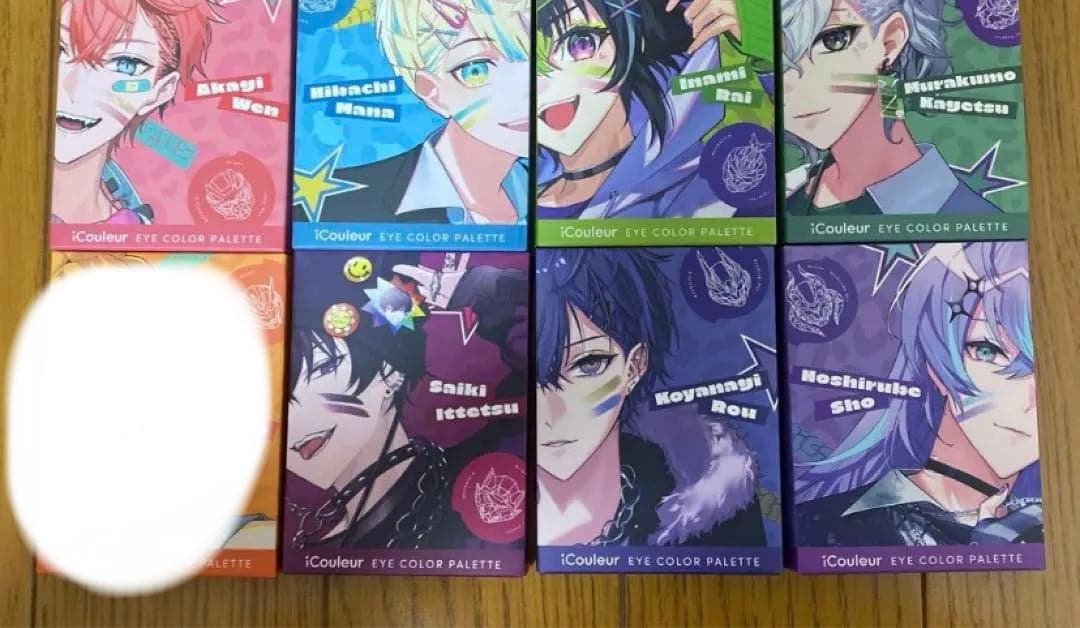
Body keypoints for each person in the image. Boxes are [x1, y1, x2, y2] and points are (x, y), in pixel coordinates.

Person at [796, 241, 1041, 546]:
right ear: (935, 360)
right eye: (986, 351)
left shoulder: (1047, 525)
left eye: (1043, 367)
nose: (1029, 400)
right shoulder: (825, 525)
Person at [285, 252, 527, 549]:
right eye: (286, 388)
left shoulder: (477, 479)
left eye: (323, 368)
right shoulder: (310, 536)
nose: (295, 412)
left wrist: (480, 292)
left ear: (390, 375)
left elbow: (557, 355)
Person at [535, 0, 774, 220]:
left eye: (580, 43)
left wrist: (772, 40)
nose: (550, 82)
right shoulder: (515, 201)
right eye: (521, 55)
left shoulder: (710, 183)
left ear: (635, 36)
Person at [535, 248, 765, 547]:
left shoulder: (717, 514)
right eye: (528, 371)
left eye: (589, 364)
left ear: (634, 366)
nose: (553, 412)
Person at [780, 0, 999, 216]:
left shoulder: (973, 225)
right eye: (774, 56)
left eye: (832, 40)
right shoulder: (776, 197)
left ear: (890, 40)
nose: (795, 81)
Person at [310, 0, 531, 226]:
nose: (524, 91)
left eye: (539, 56)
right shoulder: (330, 207)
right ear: (431, 92)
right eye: (476, 70)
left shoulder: (555, 195)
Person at [53, 0, 225, 225]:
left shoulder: (138, 224)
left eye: (126, 64)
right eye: (59, 49)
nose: (75, 90)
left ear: (159, 91)